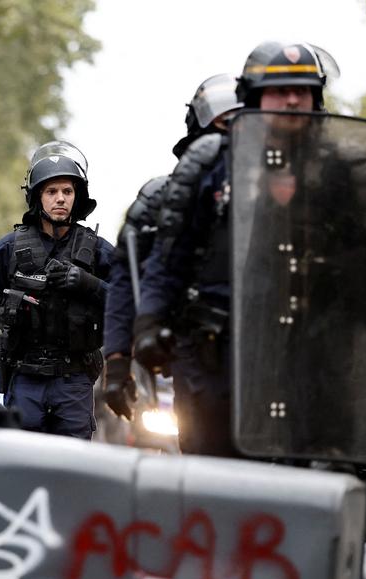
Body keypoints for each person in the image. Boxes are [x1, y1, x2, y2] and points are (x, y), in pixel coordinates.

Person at [134, 40, 366, 542]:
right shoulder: (206, 166)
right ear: (253, 97)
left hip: (319, 362)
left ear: (318, 99)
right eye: (280, 91)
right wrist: (149, 326)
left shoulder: (352, 171)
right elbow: (168, 262)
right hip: (221, 366)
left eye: (303, 91)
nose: (293, 101)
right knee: (220, 500)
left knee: (319, 500)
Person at [103, 74, 242, 421]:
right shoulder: (162, 200)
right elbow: (126, 274)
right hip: (195, 357)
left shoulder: (284, 192)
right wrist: (118, 361)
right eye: (224, 125)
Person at [0, 141, 114, 439]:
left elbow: (129, 303)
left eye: (67, 191)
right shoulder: (8, 250)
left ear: (77, 196)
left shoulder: (99, 252)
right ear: (38, 197)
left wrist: (91, 284)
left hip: (74, 381)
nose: (60, 199)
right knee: (23, 466)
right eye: (51, 191)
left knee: (73, 470)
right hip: (24, 381)